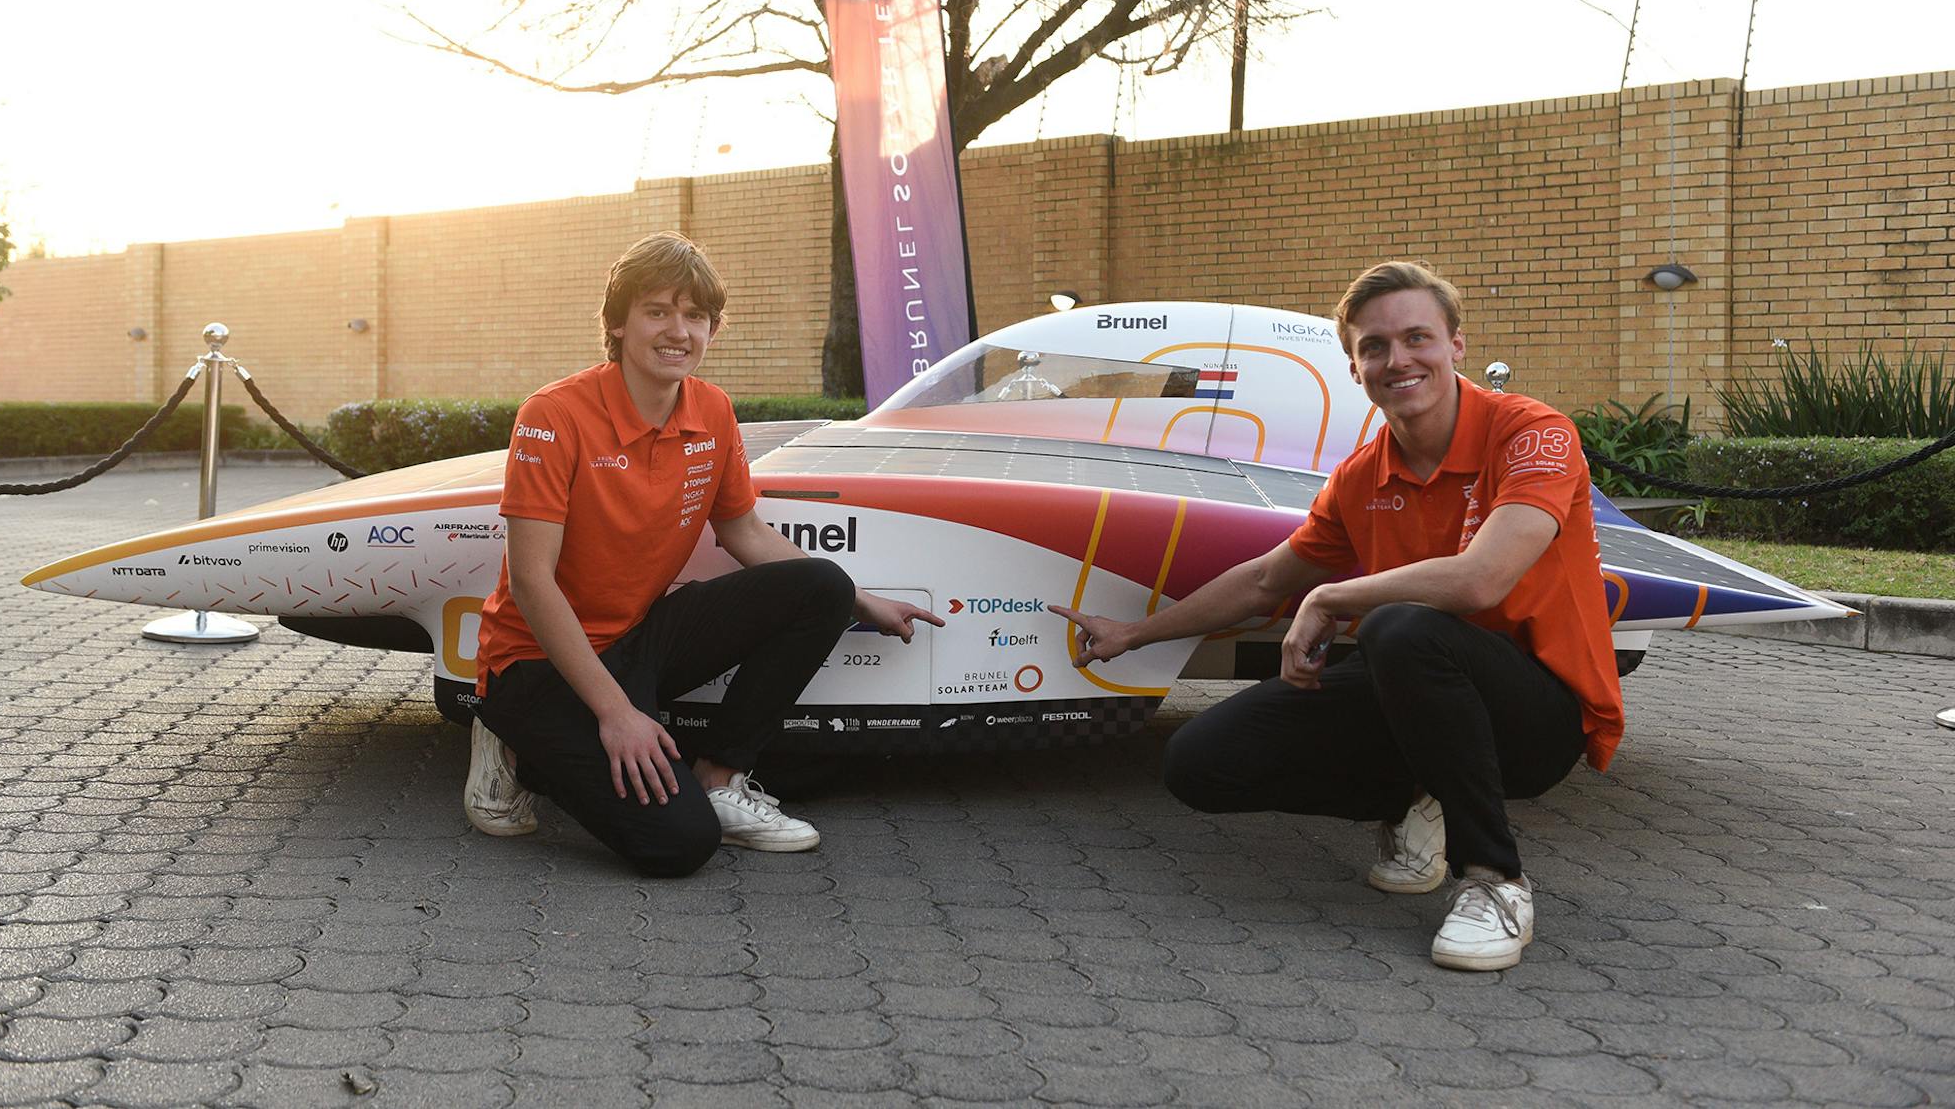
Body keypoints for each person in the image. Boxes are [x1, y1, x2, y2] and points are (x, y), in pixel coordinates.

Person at [1051, 261, 1622, 970]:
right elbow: (1266, 579)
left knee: (1398, 627)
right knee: (1199, 763)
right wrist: (1133, 634)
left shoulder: (1531, 433)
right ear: (1355, 369)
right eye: (1374, 347)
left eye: (1418, 337)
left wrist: (1331, 596)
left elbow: (1484, 578)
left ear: (1456, 345)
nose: (1398, 359)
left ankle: (1495, 881)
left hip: (1539, 714)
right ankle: (1420, 795)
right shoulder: (1361, 476)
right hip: (1422, 685)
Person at [463, 231, 940, 876]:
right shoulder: (553, 415)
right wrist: (617, 715)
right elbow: (531, 581)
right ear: (618, 322)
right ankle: (513, 745)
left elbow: (744, 534)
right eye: (657, 311)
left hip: (636, 637)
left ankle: (718, 780)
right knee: (677, 844)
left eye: (695, 316)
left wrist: (859, 600)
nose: (678, 331)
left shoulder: (712, 410)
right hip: (536, 663)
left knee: (820, 584)